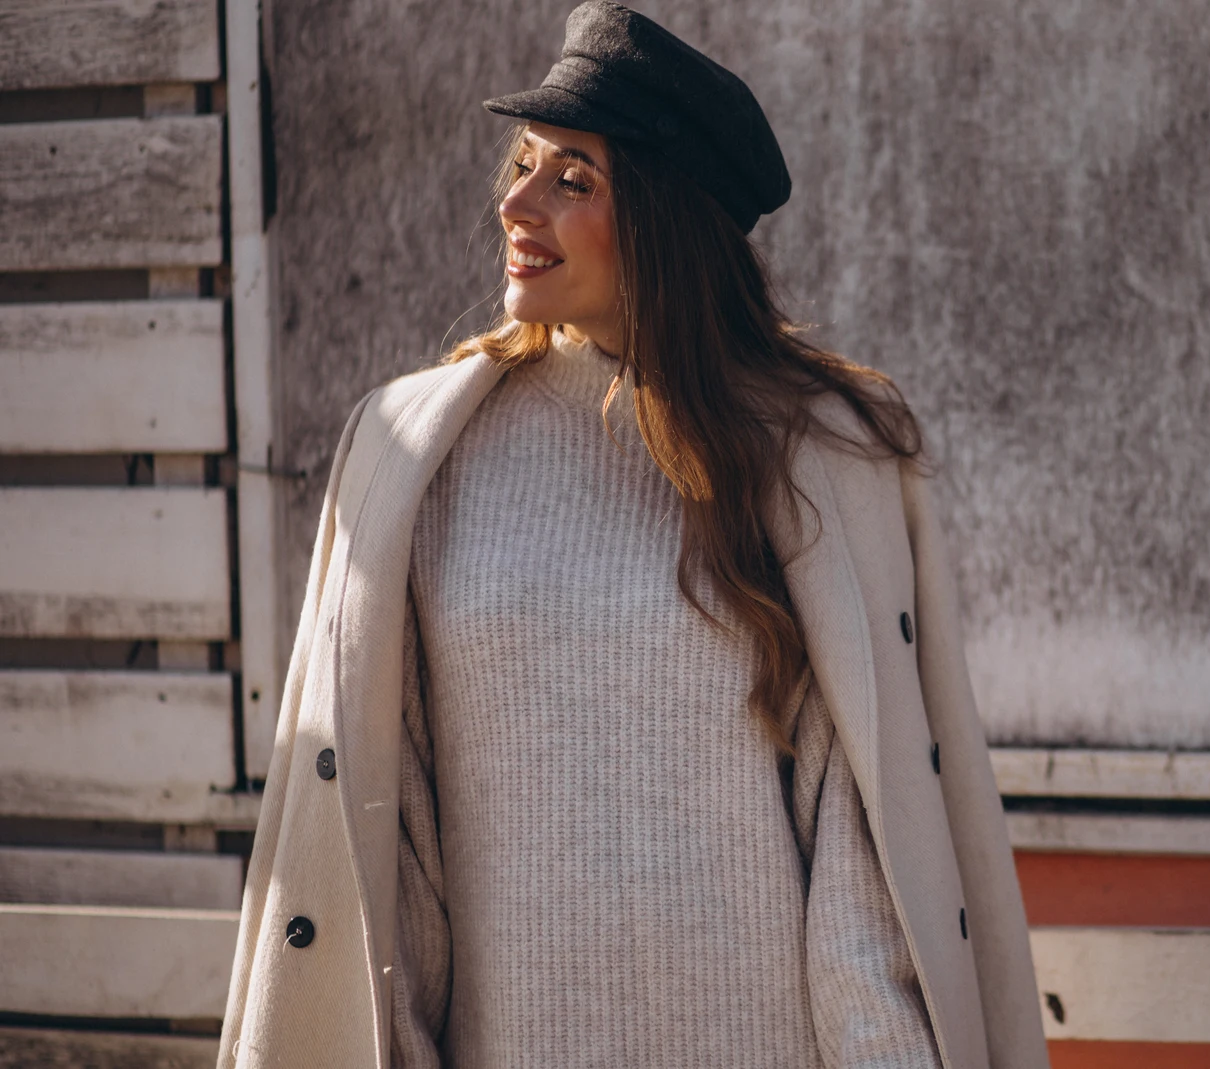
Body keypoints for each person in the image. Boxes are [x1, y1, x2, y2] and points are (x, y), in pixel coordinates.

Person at [215, 4, 1048, 1067]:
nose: (517, 202)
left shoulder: (809, 460)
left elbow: (859, 879)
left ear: (665, 220)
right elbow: (393, 851)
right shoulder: (417, 451)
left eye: (574, 179)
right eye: (524, 163)